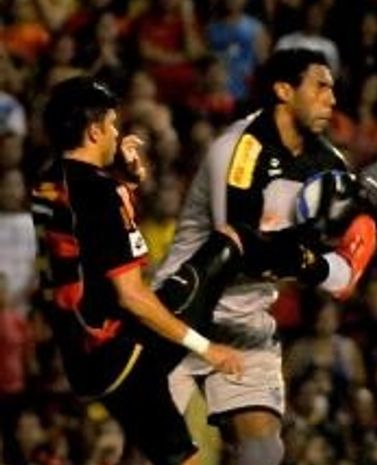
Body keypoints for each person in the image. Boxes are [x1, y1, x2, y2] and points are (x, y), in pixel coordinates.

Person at [155, 48, 377, 465]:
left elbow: (338, 276)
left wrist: (351, 252)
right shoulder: (236, 150)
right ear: (284, 91)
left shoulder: (328, 164)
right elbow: (237, 248)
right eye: (320, 86)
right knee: (151, 453)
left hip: (247, 320)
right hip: (181, 312)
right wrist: (314, 263)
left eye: (333, 89)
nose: (332, 99)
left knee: (262, 452)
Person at [31, 76, 245, 465]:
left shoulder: (45, 184)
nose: (117, 134)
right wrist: (207, 349)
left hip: (78, 354)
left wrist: (125, 183)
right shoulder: (100, 192)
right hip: (120, 351)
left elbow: (85, 242)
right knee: (223, 250)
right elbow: (131, 295)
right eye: (112, 124)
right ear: (94, 131)